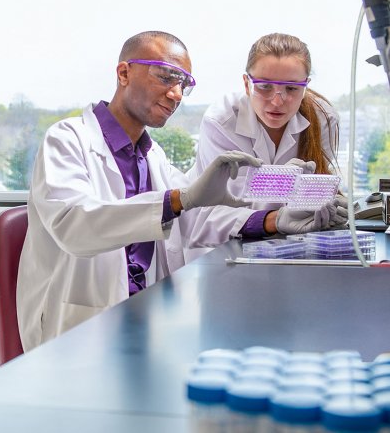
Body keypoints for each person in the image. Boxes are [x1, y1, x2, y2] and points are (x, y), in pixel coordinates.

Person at [16, 30, 264, 352]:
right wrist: (177, 199)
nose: (175, 94)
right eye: (166, 78)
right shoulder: (66, 139)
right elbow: (73, 224)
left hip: (143, 320)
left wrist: (273, 220)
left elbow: (196, 216)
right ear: (123, 73)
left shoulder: (153, 156)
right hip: (78, 328)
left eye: (184, 85)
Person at [186, 32, 348, 247]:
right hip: (221, 248)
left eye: (291, 88)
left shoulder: (323, 119)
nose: (277, 101)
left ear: (305, 86)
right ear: (246, 84)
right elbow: (214, 211)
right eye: (264, 86)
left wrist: (331, 208)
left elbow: (313, 197)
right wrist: (283, 192)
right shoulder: (221, 121)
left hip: (292, 247)